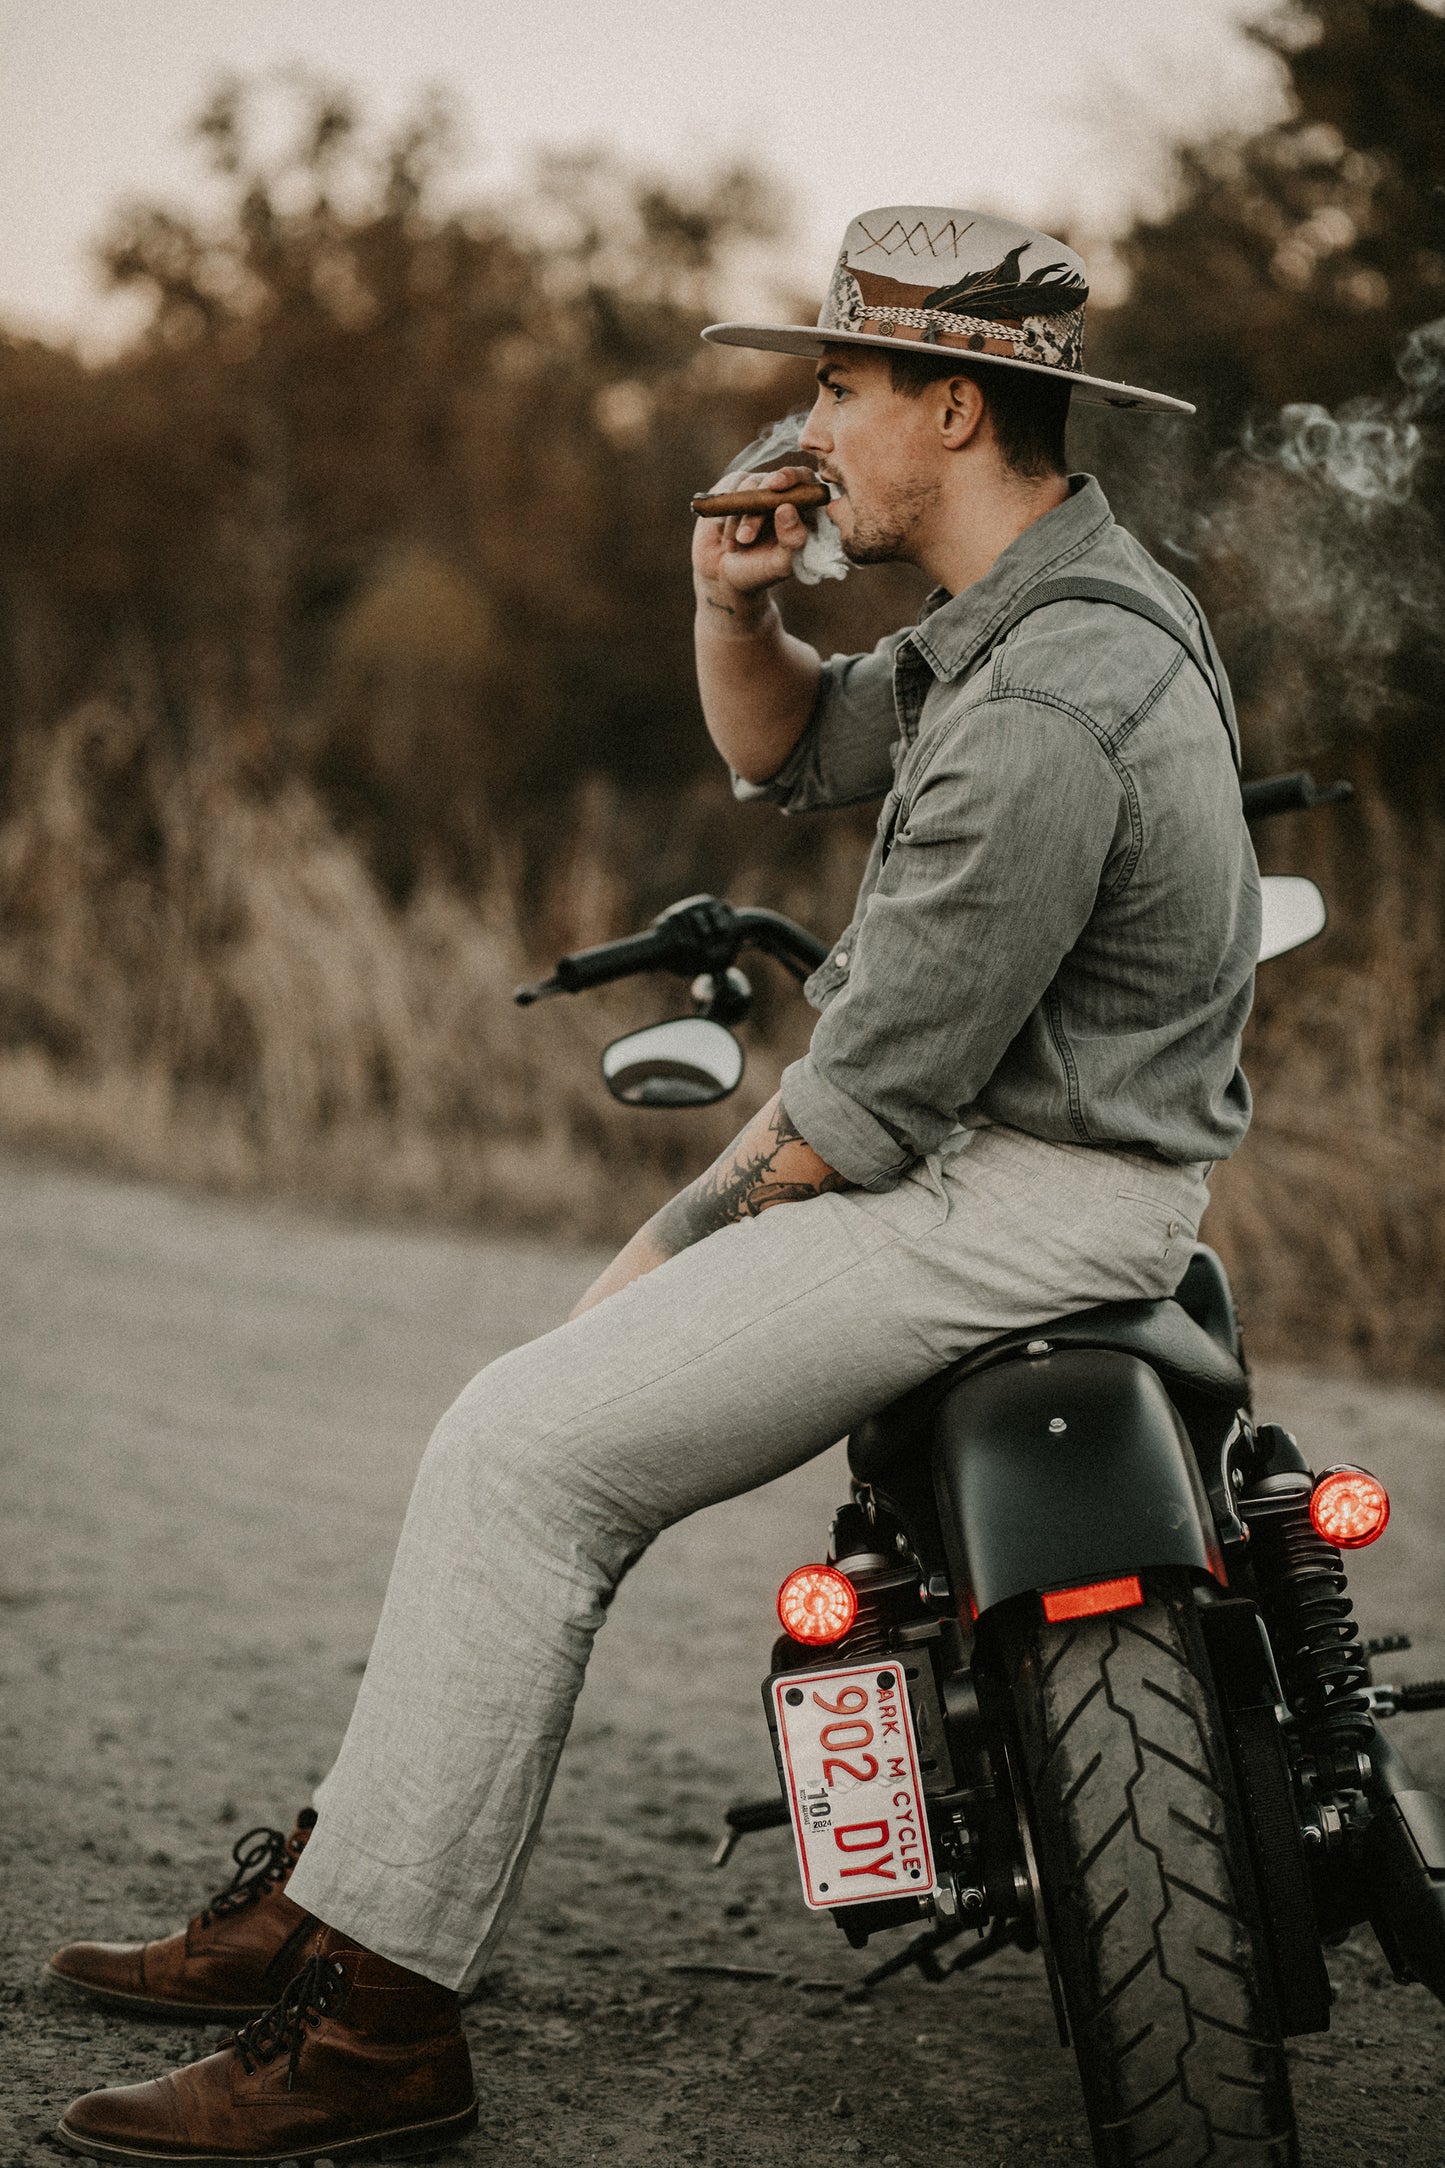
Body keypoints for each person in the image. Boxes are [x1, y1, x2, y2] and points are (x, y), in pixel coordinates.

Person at [49, 206, 1258, 2164]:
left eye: (843, 387)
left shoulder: (1043, 702)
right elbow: (801, 750)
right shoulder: (1060, 605)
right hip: (1040, 1168)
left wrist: (650, 1248)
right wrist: (732, 603)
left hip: (1013, 1192)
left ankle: (375, 2034)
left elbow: (860, 1115)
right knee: (532, 1424)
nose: (812, 423)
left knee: (521, 1447)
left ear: (953, 407)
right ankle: (346, 1888)